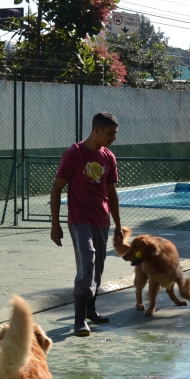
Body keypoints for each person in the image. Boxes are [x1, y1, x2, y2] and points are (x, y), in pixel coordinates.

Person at [51, 112, 124, 336]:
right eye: (111, 133)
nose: (114, 138)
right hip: (79, 219)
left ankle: (91, 311)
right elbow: (56, 189)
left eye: (115, 133)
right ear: (97, 130)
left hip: (101, 220)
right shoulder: (74, 153)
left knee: (98, 265)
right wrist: (55, 224)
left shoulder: (109, 157)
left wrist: (118, 225)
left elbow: (111, 192)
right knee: (88, 261)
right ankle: (79, 320)